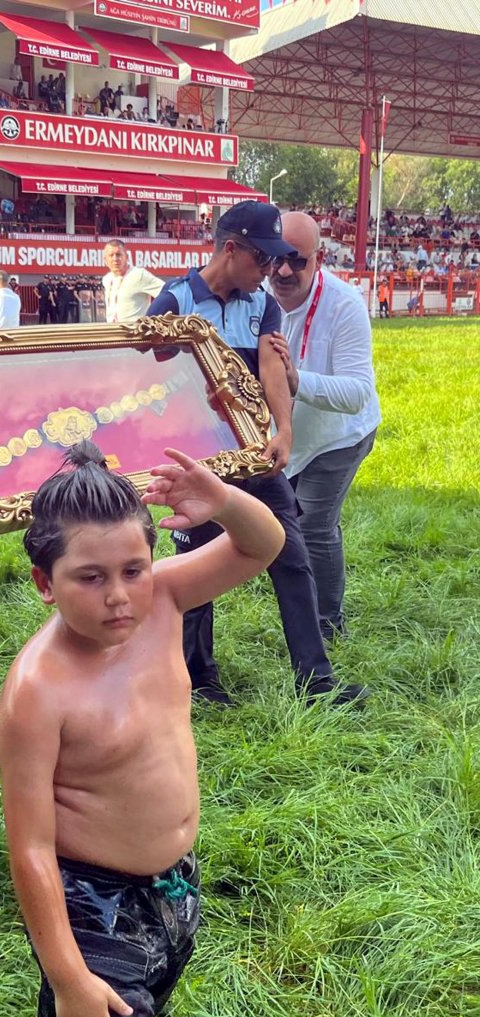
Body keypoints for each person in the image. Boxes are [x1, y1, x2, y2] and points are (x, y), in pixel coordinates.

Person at [0, 441, 284, 1017]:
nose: (119, 596)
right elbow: (29, 847)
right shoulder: (37, 691)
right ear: (43, 583)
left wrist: (225, 501)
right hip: (90, 907)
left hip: (177, 885)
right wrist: (70, 978)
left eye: (134, 570)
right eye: (90, 578)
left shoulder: (165, 601)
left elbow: (263, 544)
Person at [148, 201, 367, 707]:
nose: (272, 271)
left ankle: (316, 683)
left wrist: (283, 430)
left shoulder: (258, 303)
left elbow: (272, 363)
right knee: (195, 563)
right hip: (197, 460)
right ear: (231, 249)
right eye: (263, 260)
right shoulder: (175, 299)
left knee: (290, 553)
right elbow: (146, 372)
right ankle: (198, 680)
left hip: (252, 452)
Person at [266, 211, 381, 642]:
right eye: (276, 257)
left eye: (297, 260)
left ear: (319, 258)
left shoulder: (345, 304)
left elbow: (357, 394)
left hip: (339, 435)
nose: (282, 270)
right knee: (285, 523)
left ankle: (329, 626)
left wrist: (297, 380)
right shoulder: (257, 293)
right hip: (286, 436)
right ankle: (300, 604)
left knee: (314, 524)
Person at [102, 238, 164, 322]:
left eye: (119, 254)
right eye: (111, 255)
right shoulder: (107, 279)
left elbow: (166, 294)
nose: (115, 259)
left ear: (127, 257)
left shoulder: (139, 275)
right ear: (105, 260)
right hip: (113, 332)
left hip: (135, 332)